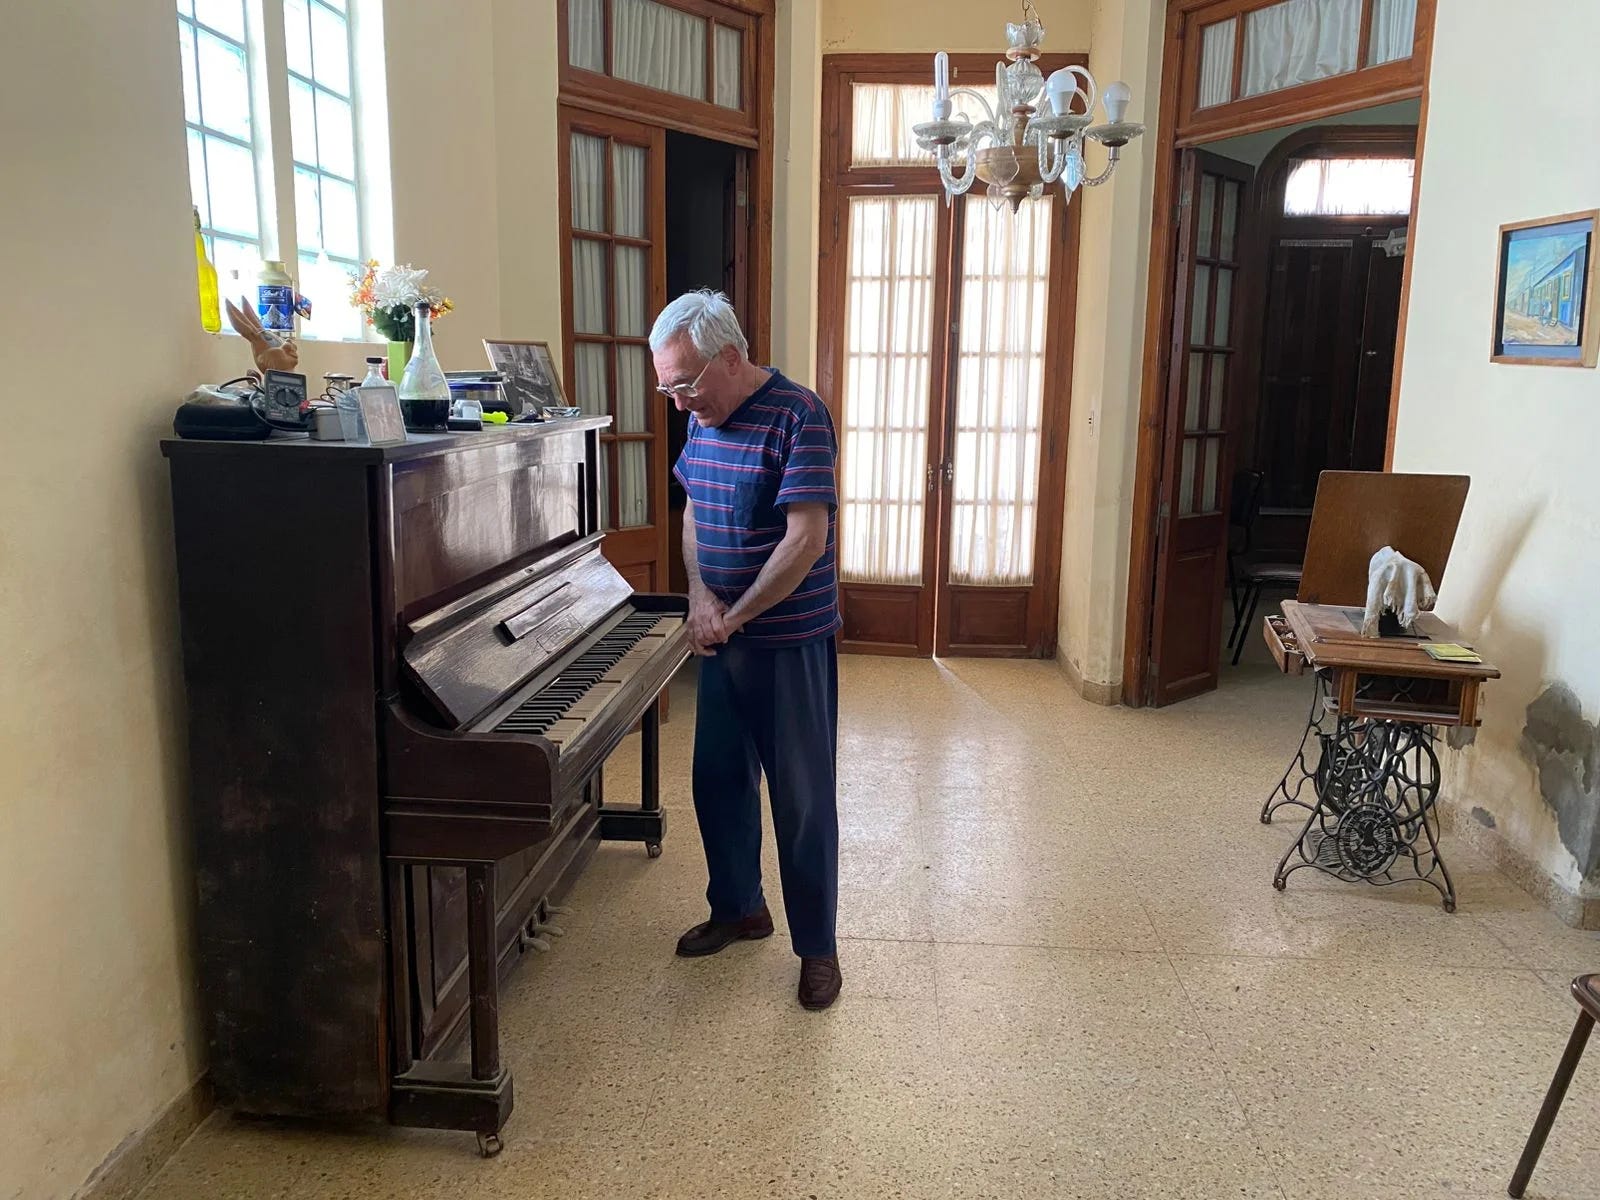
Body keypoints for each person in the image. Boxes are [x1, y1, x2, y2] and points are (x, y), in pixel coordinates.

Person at [649, 290, 843, 1011]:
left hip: (788, 642)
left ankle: (817, 948)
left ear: (731, 357)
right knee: (719, 780)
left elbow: (806, 540)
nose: (679, 403)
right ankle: (739, 908)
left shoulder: (799, 414)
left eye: (685, 385)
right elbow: (695, 509)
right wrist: (700, 596)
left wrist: (734, 617)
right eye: (668, 389)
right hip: (722, 636)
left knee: (802, 799)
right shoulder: (702, 417)